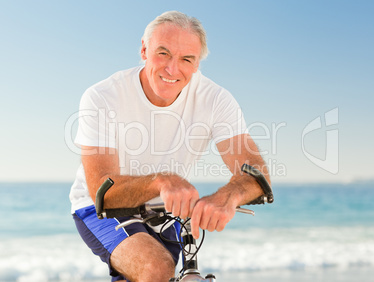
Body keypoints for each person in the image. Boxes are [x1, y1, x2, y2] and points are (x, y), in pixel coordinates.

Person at [70, 10, 271, 282]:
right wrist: (161, 181)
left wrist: (230, 195)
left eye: (186, 59)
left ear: (197, 63)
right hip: (97, 206)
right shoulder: (103, 96)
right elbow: (103, 192)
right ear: (144, 49)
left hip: (166, 209)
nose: (172, 69)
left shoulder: (216, 100)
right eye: (163, 53)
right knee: (156, 267)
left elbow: (256, 173)